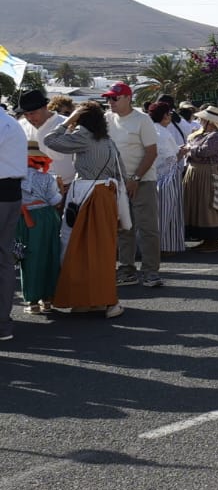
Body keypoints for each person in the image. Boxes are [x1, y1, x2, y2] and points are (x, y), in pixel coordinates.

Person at [42, 102, 124, 319]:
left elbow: (50, 140)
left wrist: (68, 120)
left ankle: (82, 299)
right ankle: (102, 300)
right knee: (101, 250)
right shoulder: (108, 141)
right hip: (106, 194)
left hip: (85, 194)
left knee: (74, 247)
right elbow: (120, 171)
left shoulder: (83, 137)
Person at [102, 81, 161, 285]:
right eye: (108, 98)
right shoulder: (107, 119)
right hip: (117, 182)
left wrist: (135, 178)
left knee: (147, 228)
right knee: (123, 228)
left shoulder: (142, 120)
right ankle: (126, 268)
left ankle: (150, 270)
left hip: (143, 181)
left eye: (114, 98)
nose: (110, 102)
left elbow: (152, 152)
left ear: (128, 98)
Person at [16, 140, 63, 317]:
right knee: (50, 254)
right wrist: (61, 190)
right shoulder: (47, 178)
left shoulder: (14, 178)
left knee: (28, 257)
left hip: (25, 218)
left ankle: (32, 301)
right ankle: (48, 299)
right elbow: (56, 201)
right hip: (47, 217)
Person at [183, 105, 218, 253]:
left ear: (210, 121)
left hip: (209, 173)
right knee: (200, 204)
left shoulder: (217, 135)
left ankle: (214, 241)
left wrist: (189, 149)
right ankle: (207, 239)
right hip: (198, 173)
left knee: (209, 204)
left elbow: (204, 152)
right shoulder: (201, 134)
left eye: (202, 119)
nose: (199, 120)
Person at [147, 101, 187, 256]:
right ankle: (163, 246)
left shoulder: (151, 130)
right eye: (169, 113)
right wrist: (181, 152)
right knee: (166, 214)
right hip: (166, 178)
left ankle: (161, 246)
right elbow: (170, 158)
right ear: (164, 115)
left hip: (154, 175)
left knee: (158, 214)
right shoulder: (163, 133)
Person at [15, 89, 73, 187]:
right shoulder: (20, 126)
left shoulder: (67, 124)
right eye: (25, 114)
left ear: (45, 107)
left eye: (33, 113)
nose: (29, 118)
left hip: (65, 186)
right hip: (31, 188)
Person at [0, 113, 25, 339]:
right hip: (10, 194)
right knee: (4, 259)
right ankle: (3, 324)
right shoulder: (10, 122)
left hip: (3, 194)